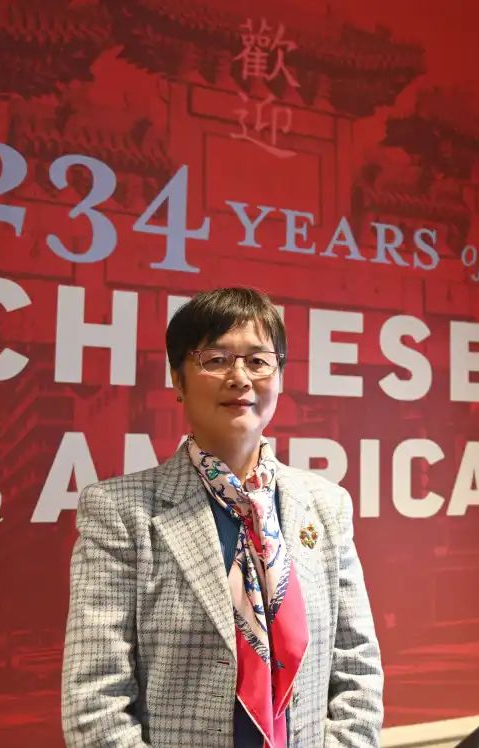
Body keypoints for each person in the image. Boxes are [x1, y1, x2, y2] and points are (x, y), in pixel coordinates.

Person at [62, 287, 383, 747]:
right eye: (215, 359)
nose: (240, 377)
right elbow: (95, 701)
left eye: (258, 361)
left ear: (280, 376)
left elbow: (357, 671)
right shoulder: (120, 512)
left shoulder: (326, 505)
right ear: (178, 380)